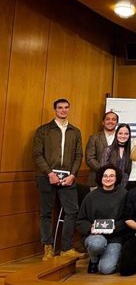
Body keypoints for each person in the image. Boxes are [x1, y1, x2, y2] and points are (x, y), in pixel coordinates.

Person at [32, 98, 84, 260]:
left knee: (72, 211)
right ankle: (47, 247)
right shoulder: (43, 130)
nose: (63, 110)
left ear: (69, 109)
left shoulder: (75, 131)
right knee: (46, 213)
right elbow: (37, 154)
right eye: (60, 108)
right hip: (46, 177)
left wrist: (73, 175)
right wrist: (50, 173)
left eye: (66, 107)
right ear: (55, 110)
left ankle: (66, 248)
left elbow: (78, 155)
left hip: (68, 178)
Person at [76, 164, 127, 274]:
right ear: (100, 177)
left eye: (111, 176)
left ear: (116, 178)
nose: (108, 178)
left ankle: (105, 257)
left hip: (115, 238)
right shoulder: (90, 197)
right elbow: (80, 220)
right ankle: (94, 260)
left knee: (106, 269)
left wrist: (116, 227)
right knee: (97, 243)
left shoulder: (124, 194)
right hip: (95, 236)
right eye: (105, 176)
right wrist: (91, 228)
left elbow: (127, 219)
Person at [85, 111, 119, 188]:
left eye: (113, 119)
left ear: (117, 123)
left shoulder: (121, 138)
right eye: (108, 119)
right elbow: (89, 158)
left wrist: (113, 173)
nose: (110, 121)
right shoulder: (94, 138)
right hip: (96, 179)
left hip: (116, 180)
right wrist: (104, 171)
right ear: (103, 122)